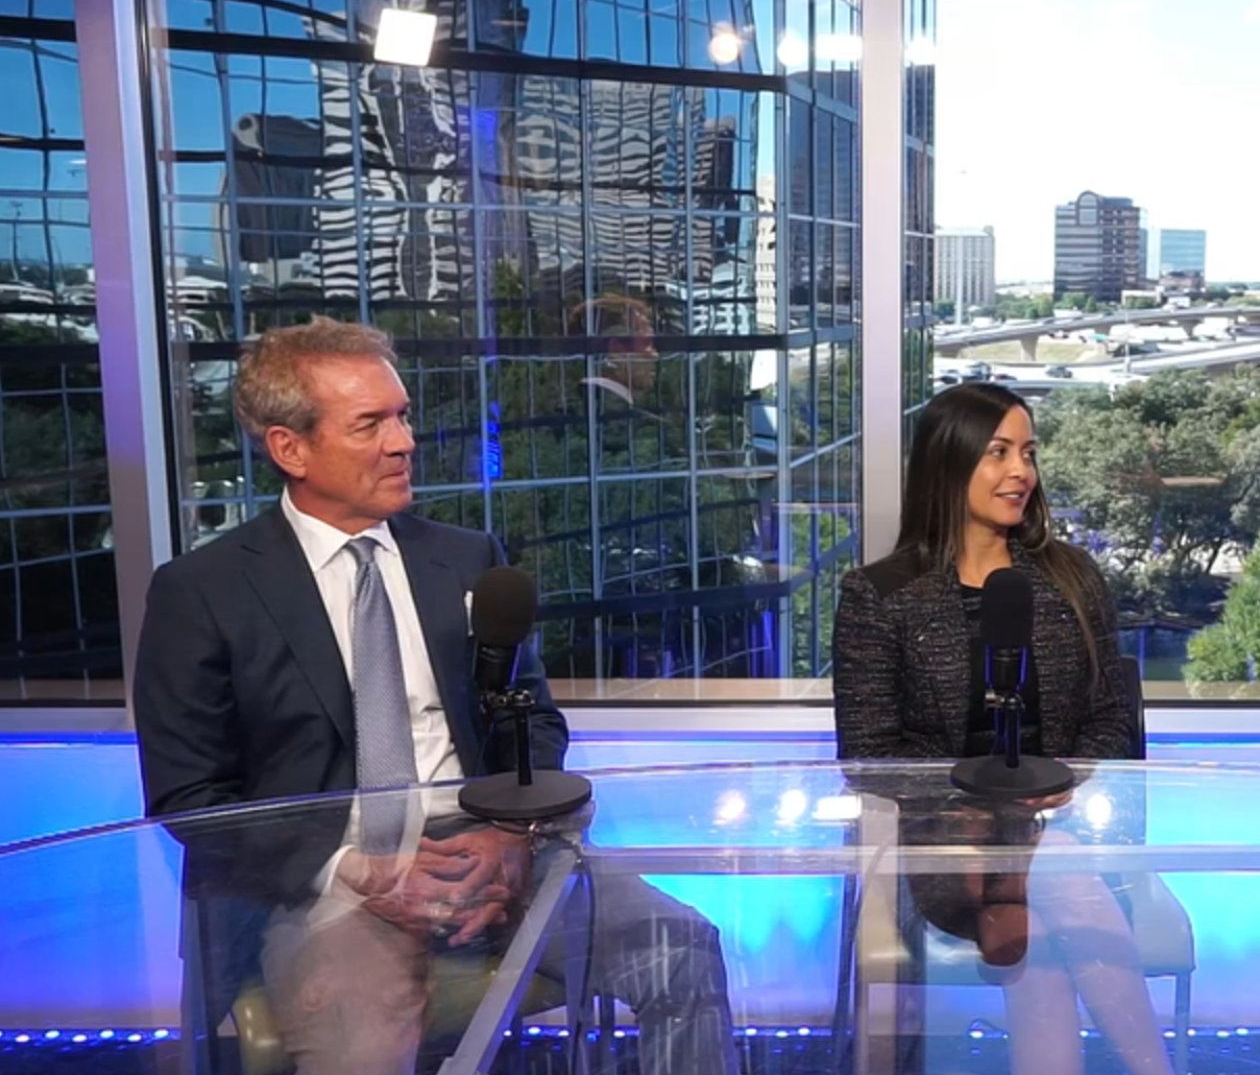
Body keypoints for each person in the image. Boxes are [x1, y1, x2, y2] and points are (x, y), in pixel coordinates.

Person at [134, 317, 738, 1075]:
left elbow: (535, 723)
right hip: (328, 882)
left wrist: (508, 840)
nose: (403, 442)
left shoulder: (465, 559)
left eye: (403, 415)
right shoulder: (205, 590)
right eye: (370, 425)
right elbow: (191, 797)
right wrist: (356, 868)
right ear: (290, 448)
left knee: (679, 946)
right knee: (363, 1043)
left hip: (492, 852)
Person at [832, 383, 1173, 1075]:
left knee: (1039, 934)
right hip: (943, 845)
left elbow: (1111, 715)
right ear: (948, 464)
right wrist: (977, 807)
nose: (1021, 472)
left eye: (1028, 453)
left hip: (1064, 828)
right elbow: (868, 754)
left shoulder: (1071, 578)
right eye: (998, 453)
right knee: (1051, 911)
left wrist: (1064, 785)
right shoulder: (879, 596)